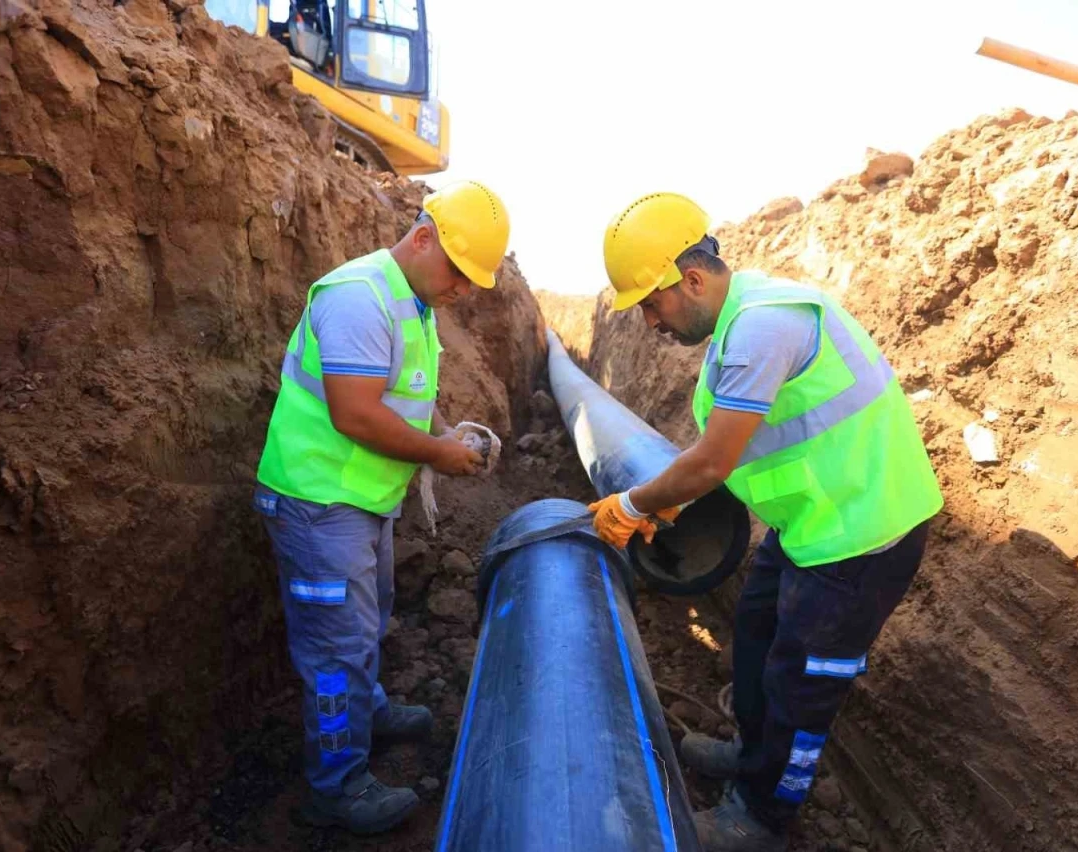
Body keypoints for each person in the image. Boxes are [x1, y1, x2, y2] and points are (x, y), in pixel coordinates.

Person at [588, 192, 943, 850]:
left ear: (692, 280)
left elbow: (712, 459)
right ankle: (755, 755)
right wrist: (672, 497)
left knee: (800, 686)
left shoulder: (763, 326)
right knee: (753, 633)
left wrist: (633, 503)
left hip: (863, 536)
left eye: (652, 303)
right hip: (817, 521)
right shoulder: (741, 321)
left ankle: (761, 815)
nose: (649, 322)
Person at [252, 180, 510, 835]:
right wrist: (439, 455)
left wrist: (445, 432)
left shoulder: (413, 302)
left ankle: (366, 709)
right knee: (336, 648)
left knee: (367, 620)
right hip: (318, 502)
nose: (464, 289)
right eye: (459, 271)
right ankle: (336, 788)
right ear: (422, 239)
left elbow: (404, 396)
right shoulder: (358, 299)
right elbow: (356, 414)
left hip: (362, 501)